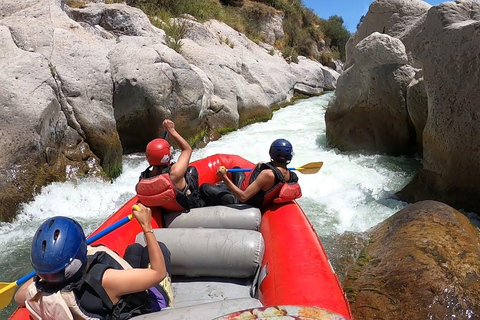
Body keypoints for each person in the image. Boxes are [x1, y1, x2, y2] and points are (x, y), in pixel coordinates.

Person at [14, 204, 172, 319]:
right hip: (145, 305)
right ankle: (168, 299)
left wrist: (46, 267)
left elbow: (19, 297)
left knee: (134, 249)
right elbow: (158, 273)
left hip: (99, 303)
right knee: (161, 249)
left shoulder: (41, 291)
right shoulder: (105, 279)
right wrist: (147, 226)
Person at [200, 139, 302, 208]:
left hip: (243, 202)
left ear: (272, 153)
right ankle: (225, 188)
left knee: (204, 187)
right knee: (237, 169)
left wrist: (224, 177)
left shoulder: (267, 174)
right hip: (253, 194)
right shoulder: (289, 174)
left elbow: (243, 197)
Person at [136, 119, 205, 211]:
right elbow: (187, 149)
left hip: (166, 210)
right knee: (191, 171)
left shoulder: (143, 178)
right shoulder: (175, 172)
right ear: (167, 156)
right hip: (188, 207)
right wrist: (171, 130)